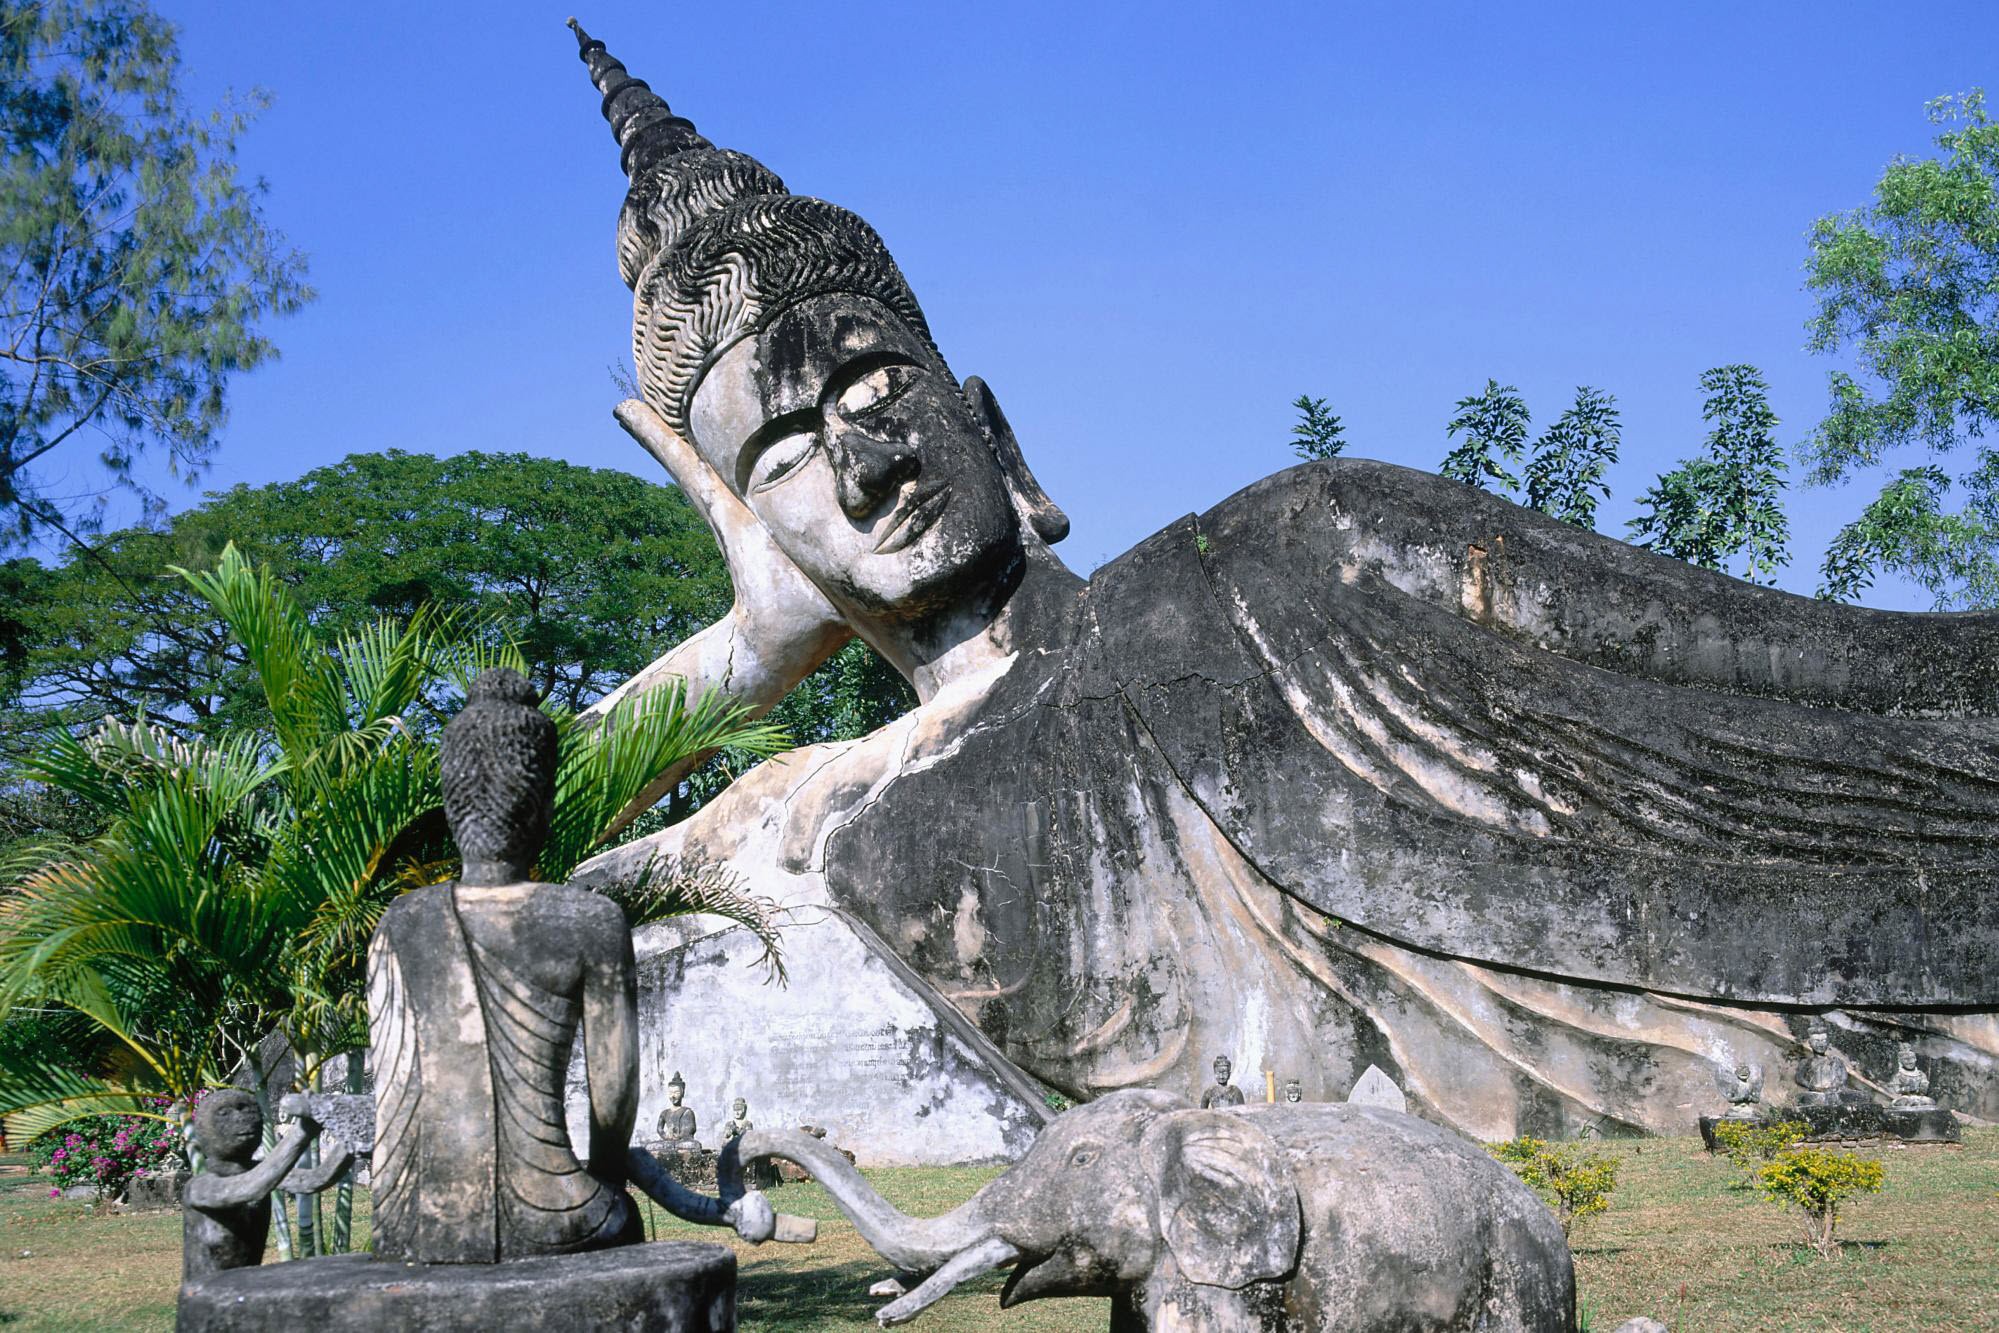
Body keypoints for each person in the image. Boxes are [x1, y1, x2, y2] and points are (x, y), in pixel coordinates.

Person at [565, 23, 1999, 1137]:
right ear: (763, 534)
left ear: (992, 428)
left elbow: (1829, 672)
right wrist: (750, 650)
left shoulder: (1294, 541)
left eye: (877, 384)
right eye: (790, 457)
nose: (867, 464)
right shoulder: (836, 815)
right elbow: (470, 867)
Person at [182, 1091, 352, 1279]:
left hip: (243, 1284)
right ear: (203, 1128)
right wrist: (305, 1129)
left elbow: (317, 1179)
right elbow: (251, 1188)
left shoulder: (260, 1172)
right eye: (224, 1113)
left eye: (248, 1111)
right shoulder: (200, 1186)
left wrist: (353, 1135)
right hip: (205, 1292)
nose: (241, 1119)